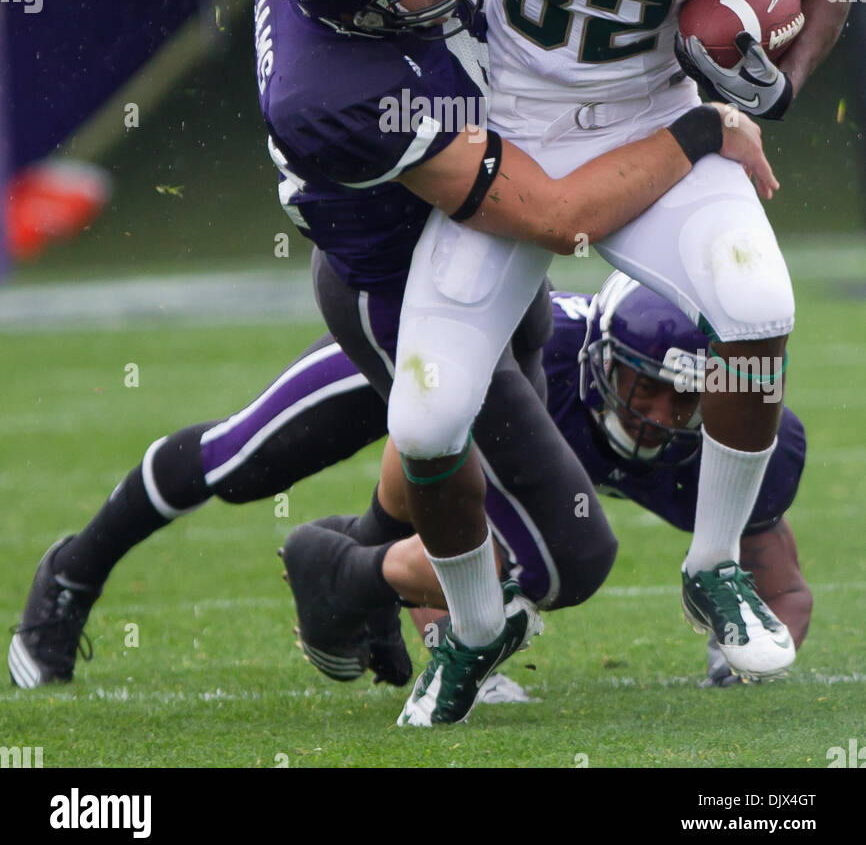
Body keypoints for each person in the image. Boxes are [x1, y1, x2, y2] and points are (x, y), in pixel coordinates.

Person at [194, 0, 847, 720]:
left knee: (758, 306)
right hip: (502, 124)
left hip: (645, 118)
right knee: (426, 416)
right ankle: (474, 622)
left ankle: (713, 562)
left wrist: (781, 80)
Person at [9, 0, 774, 715]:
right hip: (396, 290)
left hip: (491, 270)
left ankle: (363, 585)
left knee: (416, 467)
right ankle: (90, 572)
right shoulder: (336, 97)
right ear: (350, 8)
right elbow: (556, 215)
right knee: (276, 464)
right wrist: (700, 127)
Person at [8, 274, 810, 696]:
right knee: (242, 459)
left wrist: (741, 660)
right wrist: (441, 629)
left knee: (536, 559)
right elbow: (431, 465)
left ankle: (348, 575)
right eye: (644, 385)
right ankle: (73, 571)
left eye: (688, 398)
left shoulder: (737, 437)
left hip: (468, 423)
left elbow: (783, 587)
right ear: (601, 359)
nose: (664, 414)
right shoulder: (555, 364)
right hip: (436, 354)